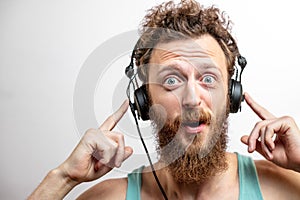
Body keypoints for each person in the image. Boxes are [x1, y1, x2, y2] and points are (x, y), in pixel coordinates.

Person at [29, 0, 300, 199]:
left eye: (208, 79)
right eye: (171, 81)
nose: (193, 99)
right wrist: (63, 178)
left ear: (231, 95)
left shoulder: (285, 188)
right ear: (145, 101)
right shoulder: (107, 197)